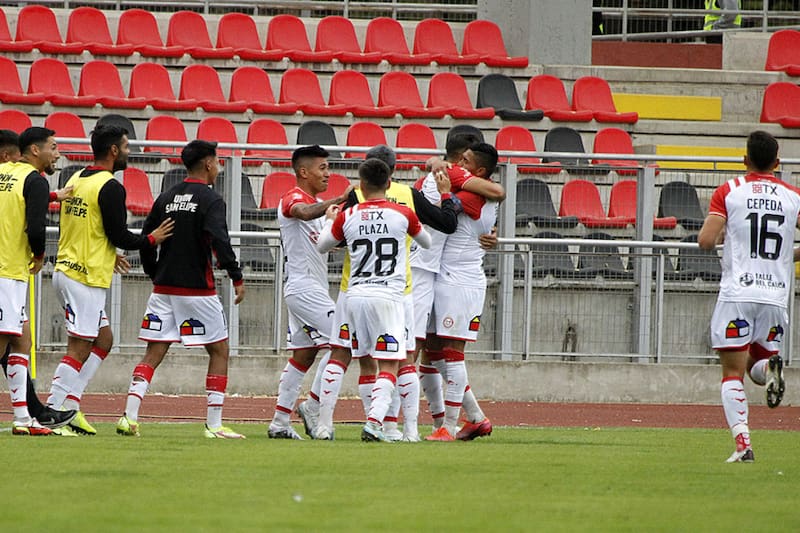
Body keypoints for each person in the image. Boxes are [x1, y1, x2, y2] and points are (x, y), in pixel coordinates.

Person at [311, 145, 458, 441]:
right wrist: (444, 199)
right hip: (396, 293)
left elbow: (325, 245)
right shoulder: (405, 207)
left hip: (352, 291)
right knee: (399, 359)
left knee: (340, 354)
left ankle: (324, 425)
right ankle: (391, 425)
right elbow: (431, 239)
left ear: (362, 183)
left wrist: (329, 220)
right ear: (390, 178)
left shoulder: (350, 209)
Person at [47, 124, 173, 435]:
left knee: (104, 340)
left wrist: (108, 252)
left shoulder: (76, 178)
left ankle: (70, 405)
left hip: (70, 269)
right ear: (114, 150)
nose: (130, 153)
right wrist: (152, 239)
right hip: (83, 277)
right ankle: (51, 412)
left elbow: (82, 226)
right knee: (79, 347)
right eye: (127, 147)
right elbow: (120, 235)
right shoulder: (111, 187)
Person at [116, 140, 246, 439]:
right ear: (208, 164)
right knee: (219, 350)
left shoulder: (166, 197)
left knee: (154, 351)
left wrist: (154, 272)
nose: (219, 167)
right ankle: (214, 425)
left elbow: (147, 238)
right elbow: (220, 240)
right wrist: (236, 276)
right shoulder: (211, 199)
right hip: (197, 290)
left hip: (164, 288)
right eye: (217, 161)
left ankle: (129, 416)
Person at [698, 131, 798, 463]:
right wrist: (786, 256)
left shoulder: (730, 191)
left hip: (738, 293)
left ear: (745, 160)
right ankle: (770, 366)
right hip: (775, 296)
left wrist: (725, 234)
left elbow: (706, 241)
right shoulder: (793, 196)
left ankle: (743, 445)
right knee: (757, 363)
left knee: (732, 373)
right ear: (777, 162)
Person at [267, 145, 352, 440]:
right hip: (304, 288)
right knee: (343, 344)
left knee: (303, 356)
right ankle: (313, 406)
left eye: (329, 168)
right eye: (322, 168)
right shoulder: (293, 198)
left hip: (309, 288)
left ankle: (279, 423)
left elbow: (323, 241)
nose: (328, 174)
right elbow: (301, 213)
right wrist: (339, 199)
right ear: (304, 172)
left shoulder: (318, 208)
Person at [0, 127, 76, 435]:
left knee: (22, 342)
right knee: (3, 343)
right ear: (35, 150)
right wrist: (40, 254)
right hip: (8, 272)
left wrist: (52, 196)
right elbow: (35, 227)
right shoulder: (34, 180)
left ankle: (23, 419)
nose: (57, 154)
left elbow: (14, 203)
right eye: (53, 147)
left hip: (8, 272)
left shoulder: (5, 172)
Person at [427, 142, 504, 442]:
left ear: (479, 171)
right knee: (433, 350)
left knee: (452, 354)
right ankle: (475, 417)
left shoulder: (473, 193)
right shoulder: (478, 188)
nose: (459, 163)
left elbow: (441, 213)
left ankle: (447, 427)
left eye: (466, 160)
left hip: (461, 281)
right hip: (447, 277)